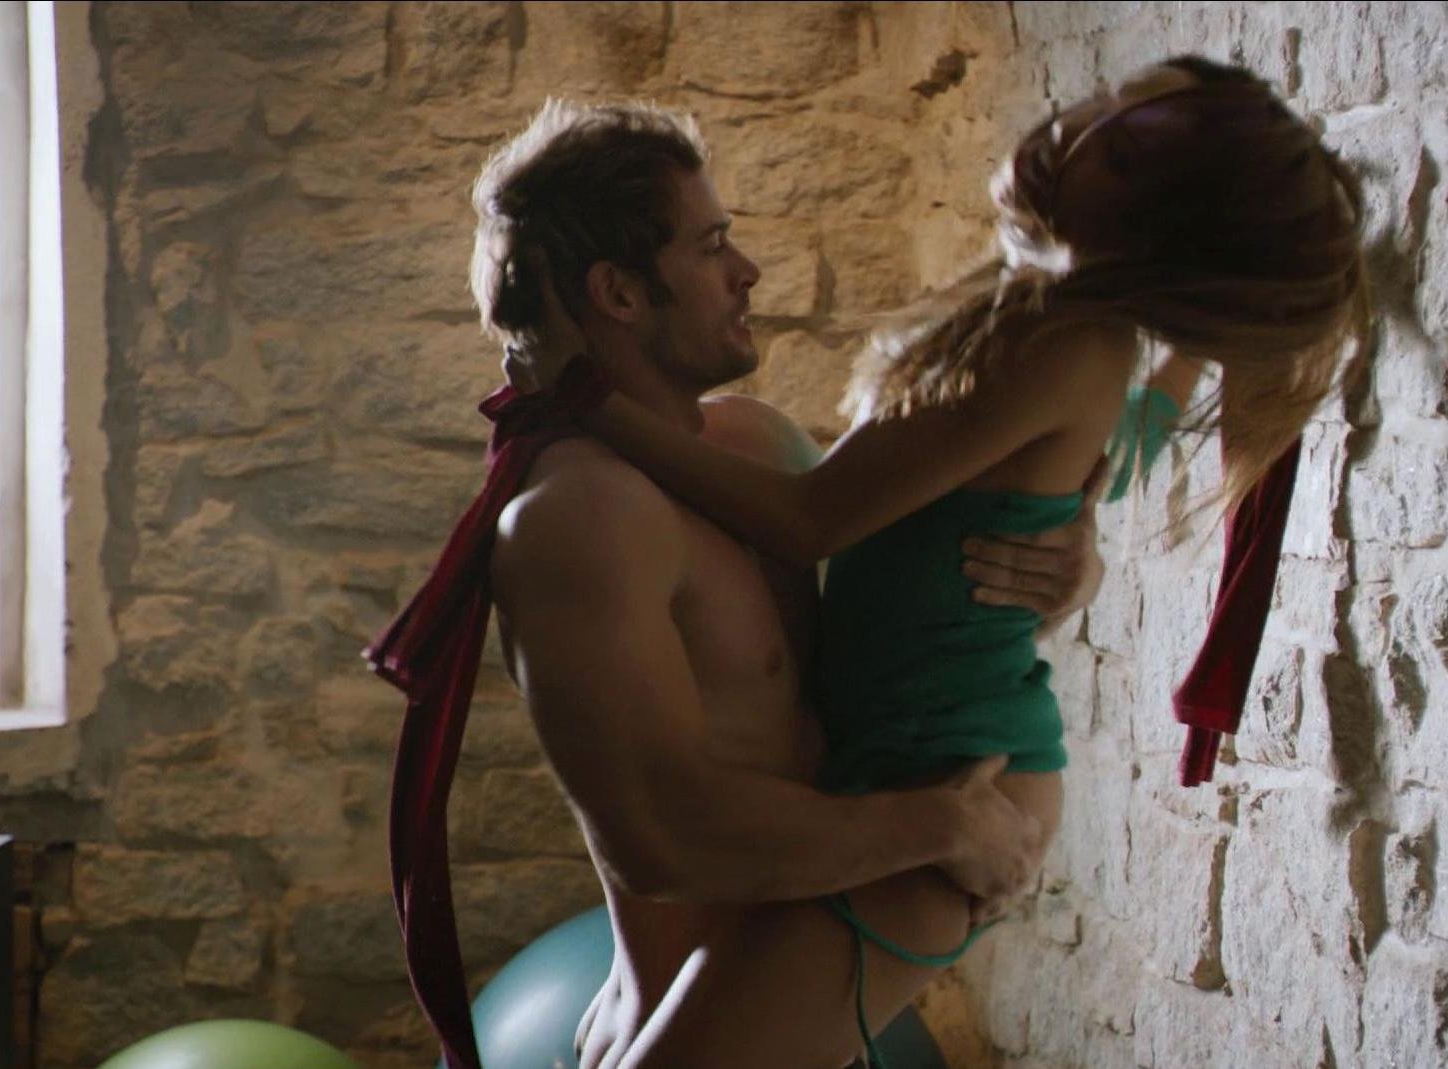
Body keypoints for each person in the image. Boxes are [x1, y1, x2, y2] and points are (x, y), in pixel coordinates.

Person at [513, 56, 1371, 1067]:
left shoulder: (1068, 341)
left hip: (954, 777)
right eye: (1100, 101)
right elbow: (1117, 441)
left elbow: (812, 518)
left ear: (1158, 226)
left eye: (1121, 148)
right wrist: (1149, 412)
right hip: (910, 772)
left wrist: (585, 402)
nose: (1072, 127)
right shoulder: (1038, 317)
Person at [446, 99, 1117, 1069]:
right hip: (697, 1006)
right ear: (619, 292)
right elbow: (658, 834)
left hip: (820, 965)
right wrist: (939, 824)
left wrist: (1065, 564)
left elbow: (906, 620)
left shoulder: (757, 447)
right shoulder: (580, 519)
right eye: (711, 245)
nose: (747, 270)